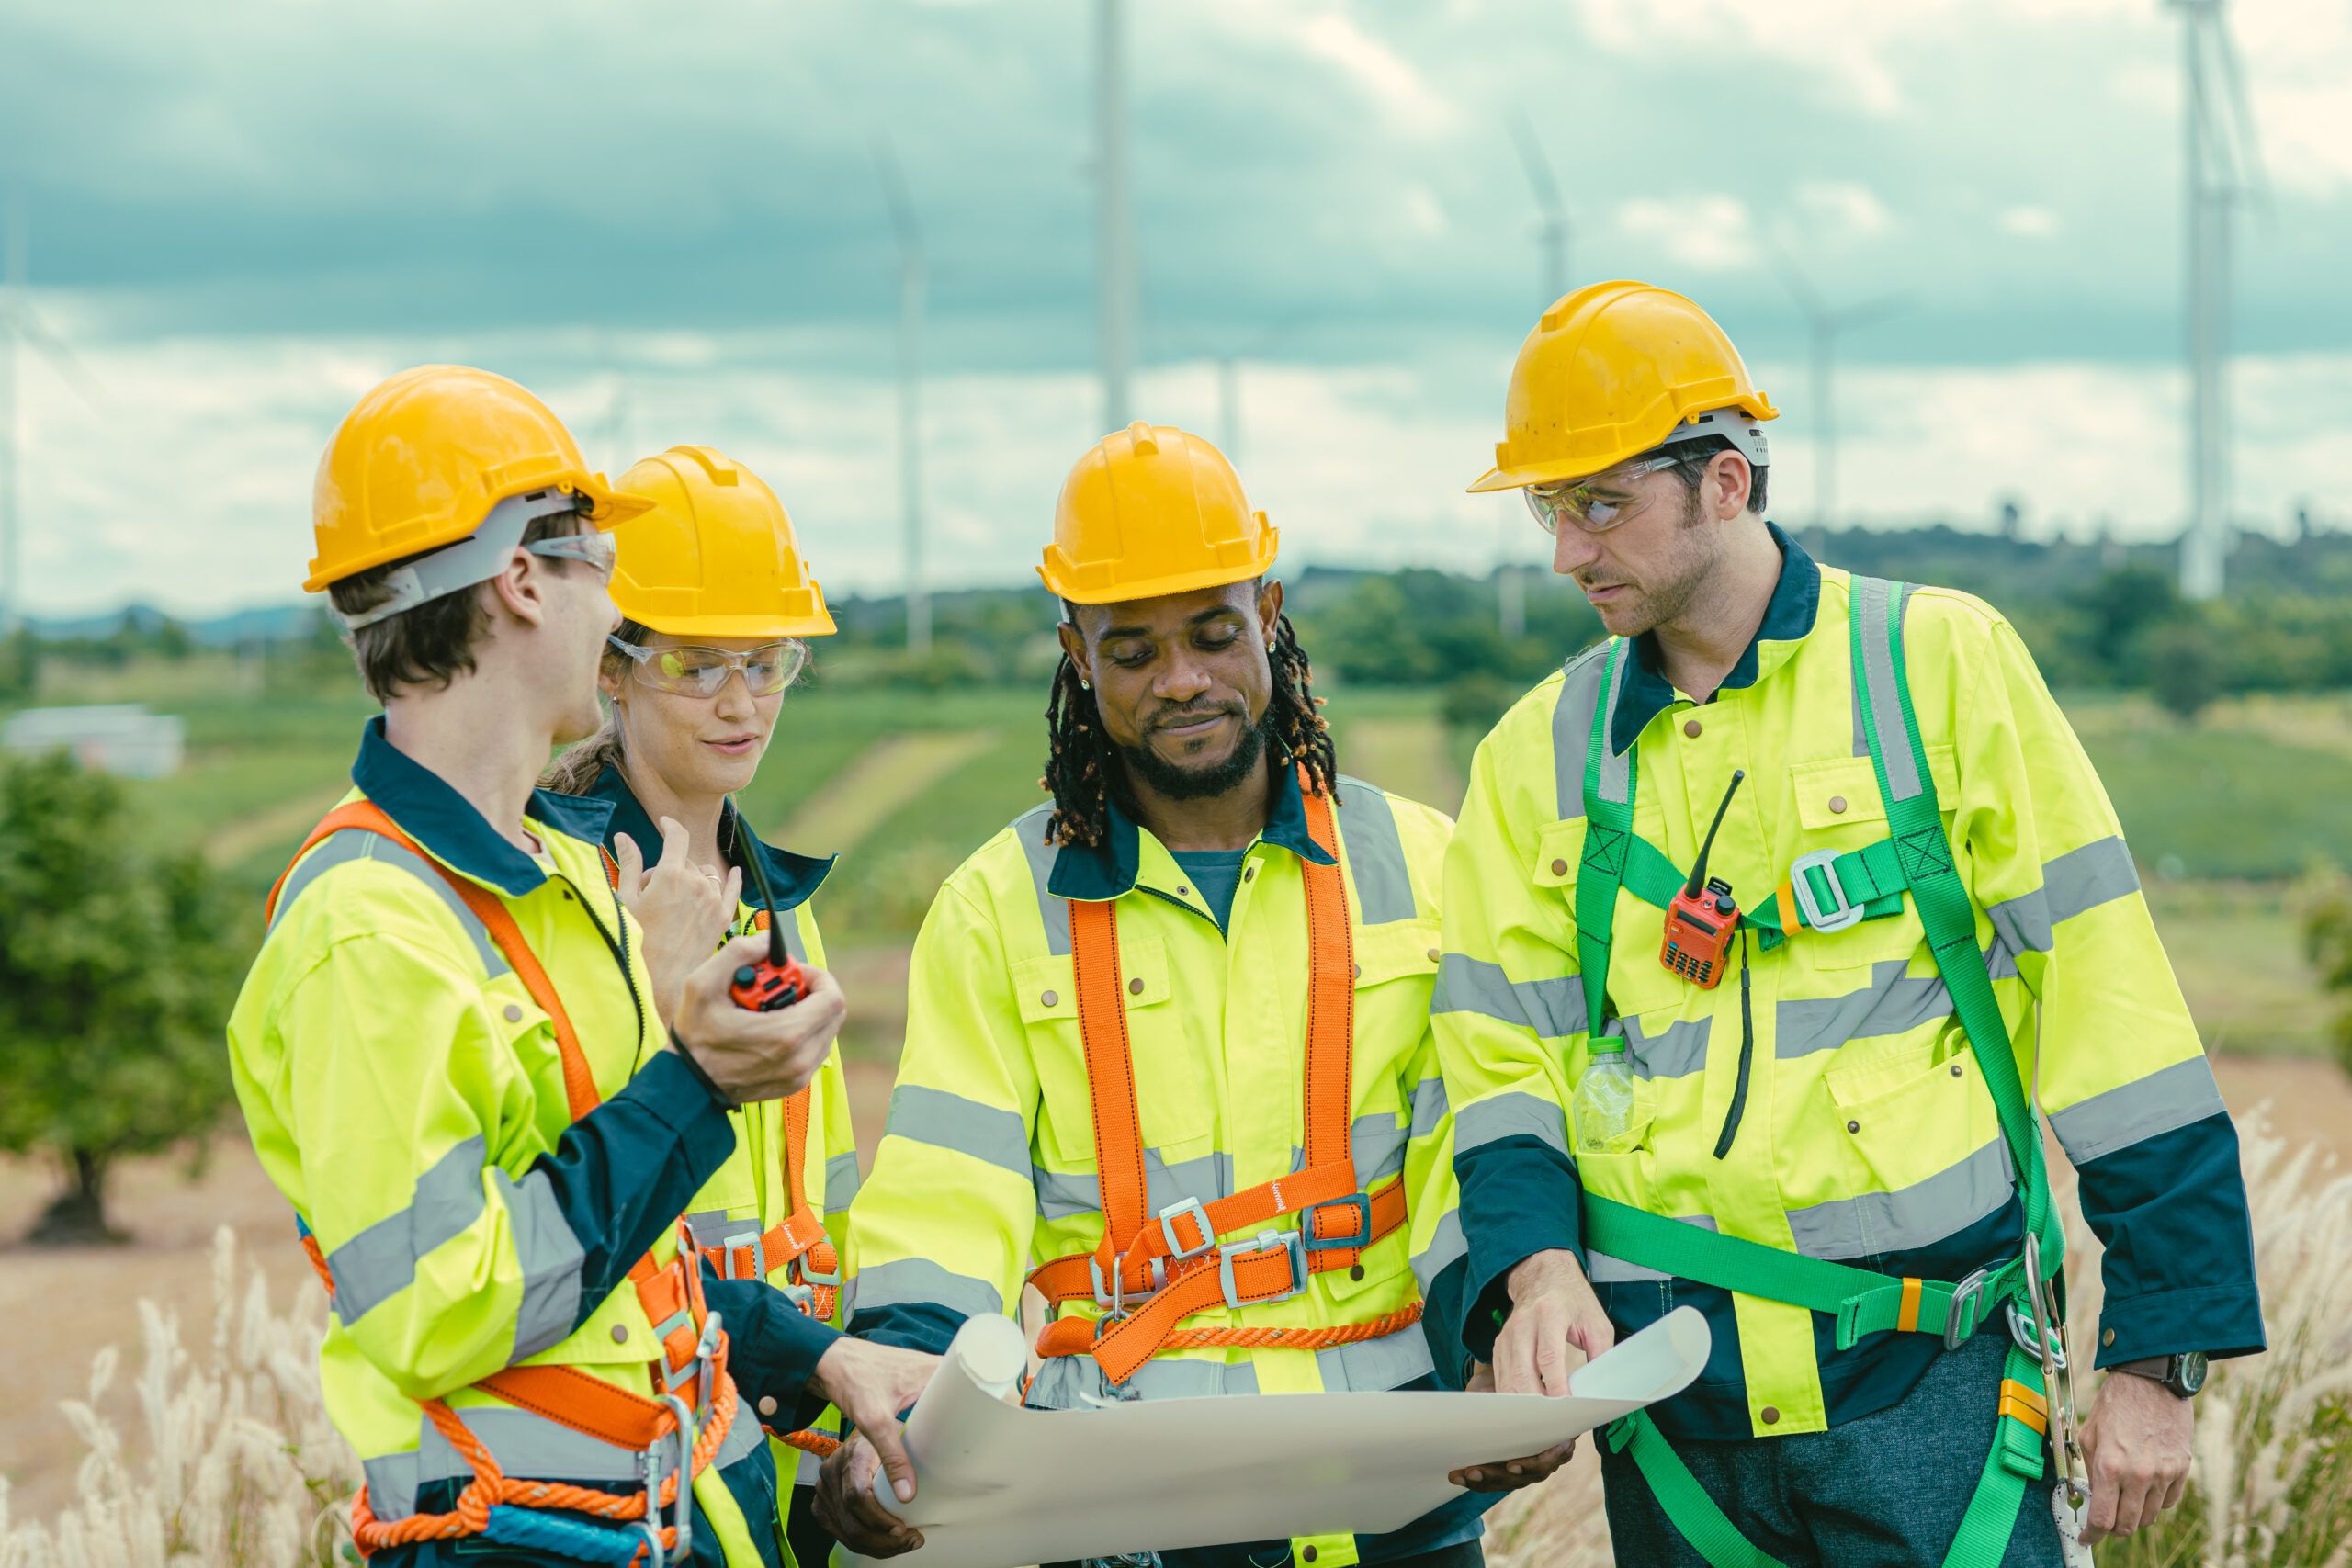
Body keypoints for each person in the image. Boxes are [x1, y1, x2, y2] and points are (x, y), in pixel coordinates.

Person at [1431, 282, 2264, 1564]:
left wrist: (2159, 1353)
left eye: (1600, 501)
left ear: (1723, 480)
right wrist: (1532, 1275)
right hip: (1675, 1418)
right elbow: (1498, 1061)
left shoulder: (1939, 665)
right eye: (1550, 506)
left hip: (1934, 1393)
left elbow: (2113, 1004)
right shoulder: (1532, 754)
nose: (1564, 552)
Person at [228, 367, 874, 1567]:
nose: (614, 599)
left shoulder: (561, 887)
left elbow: (638, 1250)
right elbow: (439, 1305)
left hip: (662, 1518)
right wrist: (697, 1076)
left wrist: (814, 1356)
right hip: (511, 1538)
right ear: (522, 578)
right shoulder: (369, 926)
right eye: (598, 564)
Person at [820, 423, 1485, 1568]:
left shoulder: (1425, 864)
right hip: (1131, 1480)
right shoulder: (998, 906)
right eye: (1131, 652)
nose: (1182, 681)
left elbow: (1464, 1148)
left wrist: (1496, 1336)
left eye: (1214, 635)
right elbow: (946, 1193)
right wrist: (905, 1398)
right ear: (1076, 654)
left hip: (1393, 1472)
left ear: (1269, 614)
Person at [543, 443, 936, 1567]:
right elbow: (570, 1209)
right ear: (609, 670)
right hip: (647, 1449)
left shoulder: (778, 910)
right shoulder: (563, 894)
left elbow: (827, 1200)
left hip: (788, 1431)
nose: (739, 702)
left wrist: (849, 1382)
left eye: (766, 664)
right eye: (697, 664)